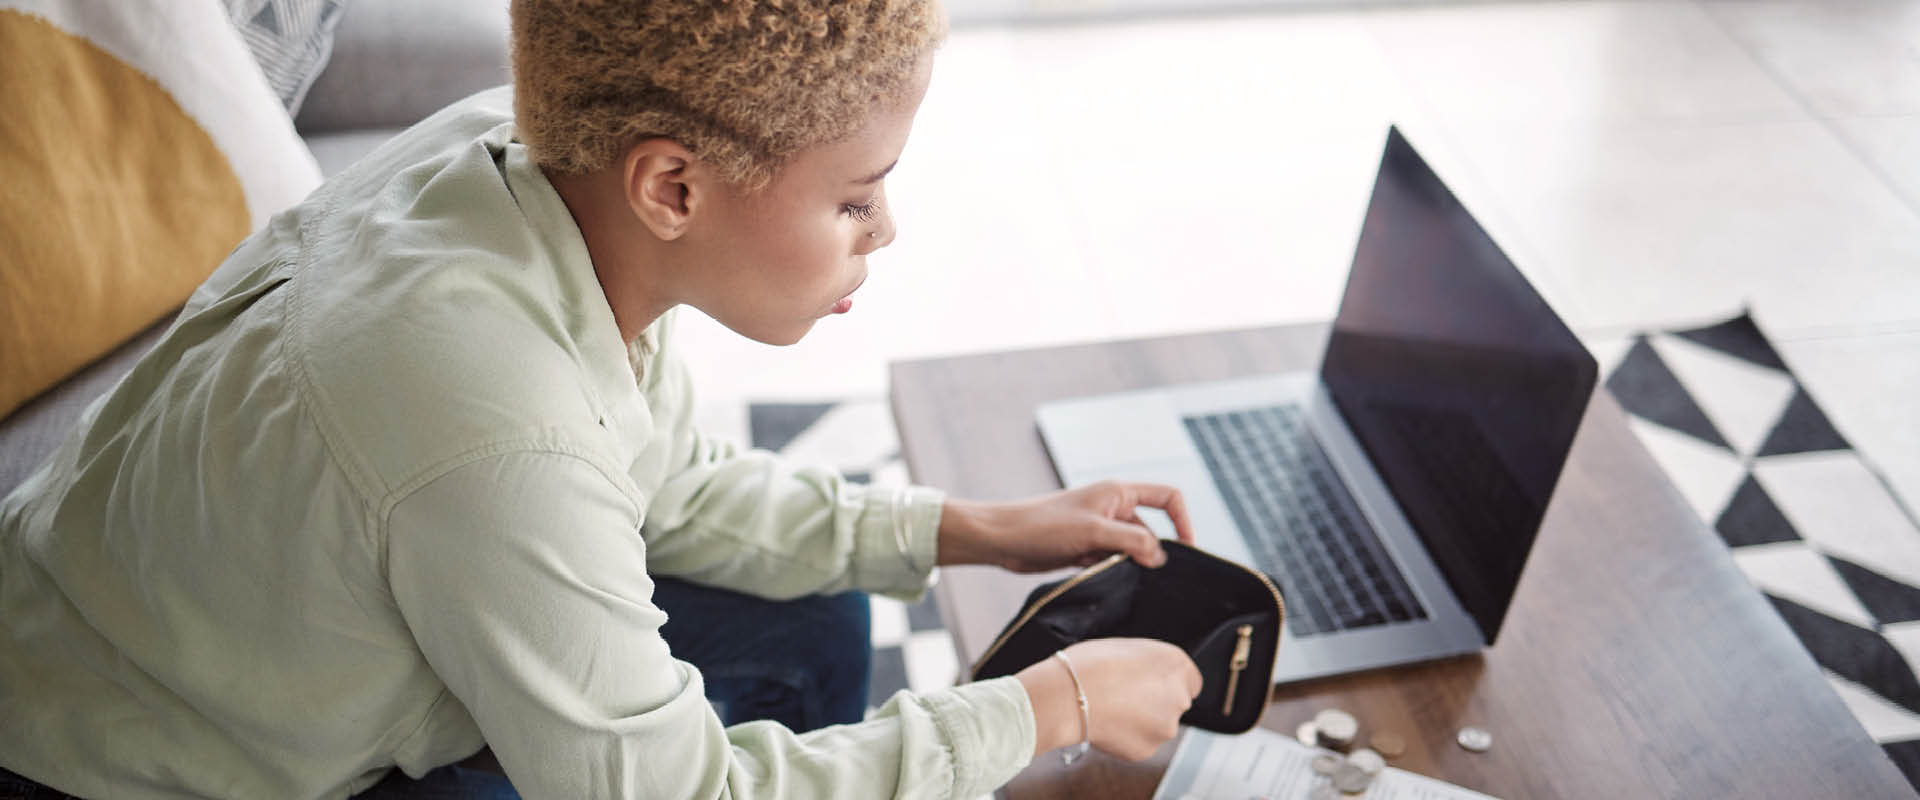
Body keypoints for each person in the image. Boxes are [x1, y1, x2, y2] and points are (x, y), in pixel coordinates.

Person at [0, 1, 1206, 797]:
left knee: (814, 623)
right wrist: (1048, 708)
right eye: (855, 197)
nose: (886, 229)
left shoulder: (520, 165)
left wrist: (974, 525)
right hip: (116, 767)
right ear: (671, 184)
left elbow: (658, 485)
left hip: (183, 617)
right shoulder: (493, 432)